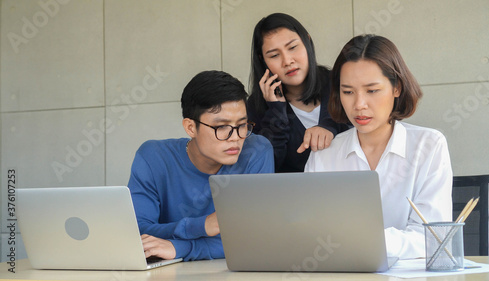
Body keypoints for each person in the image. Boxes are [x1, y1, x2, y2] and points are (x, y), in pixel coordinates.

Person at [305, 34, 453, 259]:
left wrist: (364, 240)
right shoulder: (324, 155)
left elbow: (433, 238)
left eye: (372, 90)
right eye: (348, 92)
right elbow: (309, 235)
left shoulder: (428, 146)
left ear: (397, 88)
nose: (359, 105)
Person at [127, 70, 274, 261]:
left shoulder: (256, 151)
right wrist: (203, 225)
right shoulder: (153, 158)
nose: (236, 137)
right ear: (190, 127)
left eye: (242, 125)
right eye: (222, 127)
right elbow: (136, 233)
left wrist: (181, 247)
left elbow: (254, 239)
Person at [247, 13, 350, 173]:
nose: (287, 61)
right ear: (263, 60)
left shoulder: (340, 84)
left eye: (293, 47)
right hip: (288, 196)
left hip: (347, 190)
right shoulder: (256, 107)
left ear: (307, 41)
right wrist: (276, 111)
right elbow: (265, 170)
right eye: (274, 55)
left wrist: (329, 127)